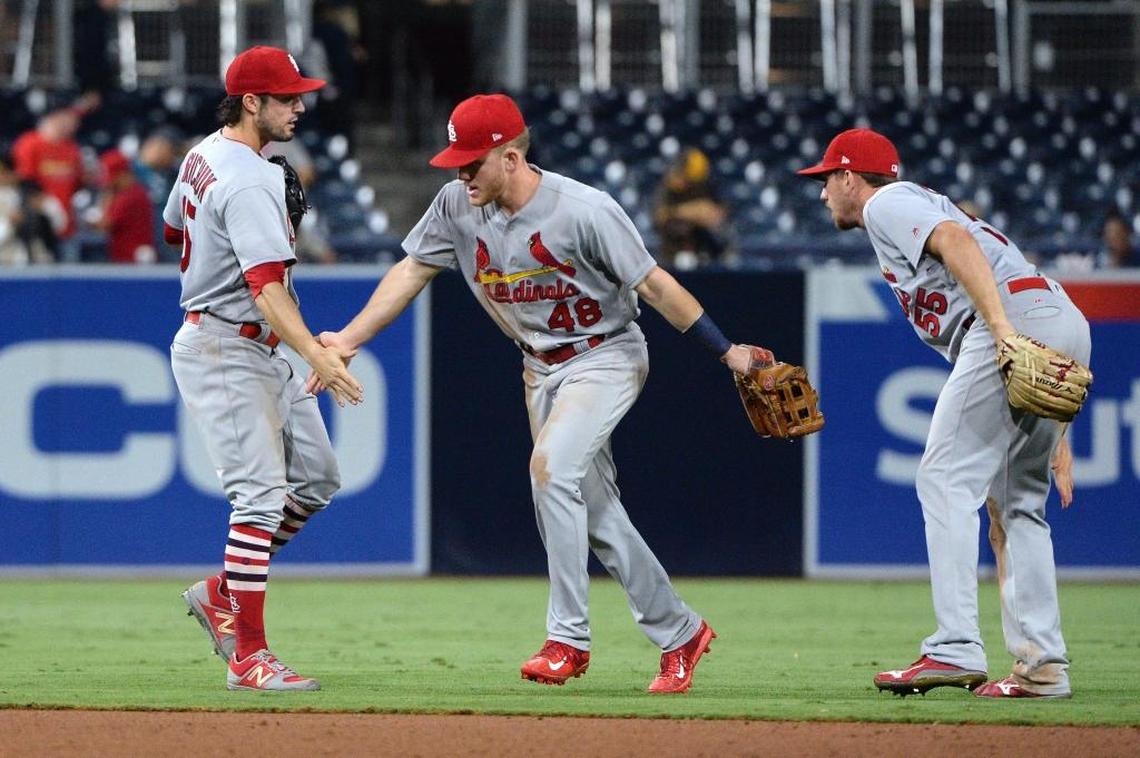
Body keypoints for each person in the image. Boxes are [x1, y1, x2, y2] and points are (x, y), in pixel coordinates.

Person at [313, 93, 765, 694]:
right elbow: (411, 271)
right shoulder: (456, 205)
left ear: (511, 156)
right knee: (595, 512)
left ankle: (567, 639)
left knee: (550, 471)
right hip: (538, 368)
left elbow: (655, 286)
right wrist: (348, 339)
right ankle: (680, 631)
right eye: (456, 163)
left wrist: (727, 351)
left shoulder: (585, 210)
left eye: (473, 162)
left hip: (605, 355)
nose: (461, 174)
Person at [798, 128, 1090, 699]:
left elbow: (955, 240)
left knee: (945, 477)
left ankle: (954, 648)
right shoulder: (915, 202)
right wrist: (1057, 434)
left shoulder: (886, 202)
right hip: (1056, 317)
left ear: (851, 176)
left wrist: (1002, 332)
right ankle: (1042, 667)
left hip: (1010, 321)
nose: (823, 192)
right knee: (1017, 505)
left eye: (827, 178)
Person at [166, 45, 363, 692]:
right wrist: (317, 355)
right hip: (226, 344)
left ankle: (223, 591)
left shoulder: (203, 153)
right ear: (251, 102)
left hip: (255, 344)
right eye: (287, 97)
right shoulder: (251, 179)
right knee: (258, 496)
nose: (299, 106)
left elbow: (173, 231)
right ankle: (248, 656)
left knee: (317, 479)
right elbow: (266, 290)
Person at [10, 107, 86, 244]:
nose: (74, 125)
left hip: (67, 222)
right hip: (39, 222)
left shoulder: (72, 147)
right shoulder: (30, 143)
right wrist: (45, 207)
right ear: (53, 118)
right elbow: (25, 180)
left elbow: (79, 182)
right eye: (67, 119)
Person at [652, 147, 729, 269]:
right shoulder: (668, 188)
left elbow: (715, 217)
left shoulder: (706, 186)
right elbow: (660, 217)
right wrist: (691, 211)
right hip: (672, 254)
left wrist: (680, 213)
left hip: (705, 252)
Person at [0, 159, 66, 265]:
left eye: (4, 173)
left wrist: (43, 210)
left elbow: (60, 225)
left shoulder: (33, 192)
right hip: (6, 258)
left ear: (14, 174)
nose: (2, 177)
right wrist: (10, 223)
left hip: (39, 257)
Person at [96, 149, 156, 263]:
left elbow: (105, 224)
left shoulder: (131, 195)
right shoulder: (130, 192)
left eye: (114, 177)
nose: (111, 183)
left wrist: (88, 222)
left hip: (132, 259)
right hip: (124, 257)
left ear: (123, 174)